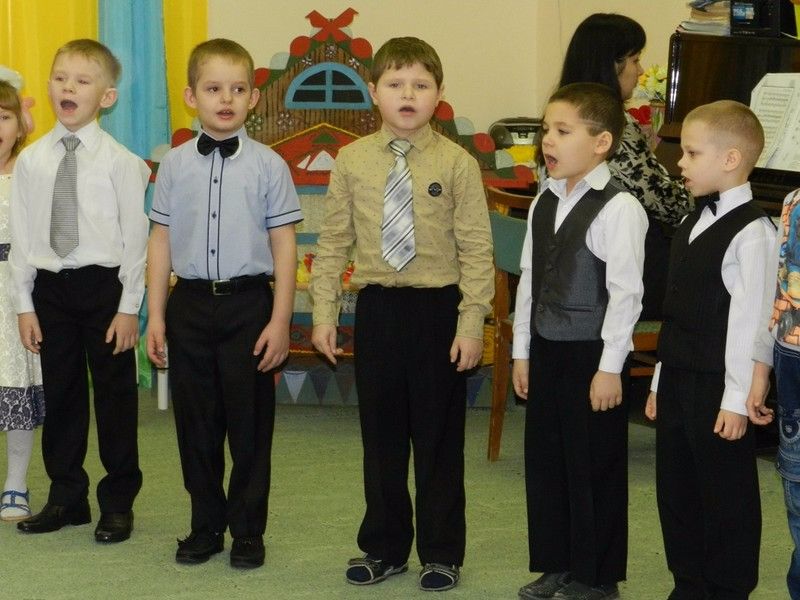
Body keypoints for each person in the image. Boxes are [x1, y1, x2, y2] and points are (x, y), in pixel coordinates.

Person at [309, 36, 493, 592]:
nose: (407, 95)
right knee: (382, 438)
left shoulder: (457, 163)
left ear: (439, 94)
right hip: (378, 309)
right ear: (374, 92)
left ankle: (442, 552)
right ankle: (384, 548)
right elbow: (333, 242)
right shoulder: (352, 160)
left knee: (438, 439)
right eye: (395, 84)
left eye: (420, 85)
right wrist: (324, 314)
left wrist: (471, 324)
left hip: (438, 311)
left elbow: (477, 250)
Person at [146, 38, 301, 570]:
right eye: (214, 89)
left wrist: (280, 319)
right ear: (192, 96)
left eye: (238, 89)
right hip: (188, 306)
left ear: (253, 98)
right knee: (197, 425)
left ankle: (248, 530)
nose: (226, 99)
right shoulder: (173, 165)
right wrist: (156, 315)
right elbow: (160, 240)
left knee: (250, 425)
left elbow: (284, 245)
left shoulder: (270, 166)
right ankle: (205, 525)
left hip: (248, 308)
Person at [9, 39, 149, 544]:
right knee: (62, 395)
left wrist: (129, 307)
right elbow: (22, 239)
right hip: (51, 290)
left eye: (83, 81)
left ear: (106, 97)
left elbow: (136, 240)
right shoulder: (32, 162)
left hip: (104, 289)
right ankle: (67, 496)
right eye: (60, 77)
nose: (68, 87)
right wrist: (24, 305)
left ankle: (118, 501)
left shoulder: (121, 162)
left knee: (114, 396)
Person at [513, 82, 647, 600]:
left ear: (601, 142)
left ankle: (597, 577)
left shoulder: (619, 208)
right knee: (547, 459)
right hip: (547, 345)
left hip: (593, 353)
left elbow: (626, 295)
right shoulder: (544, 199)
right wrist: (522, 351)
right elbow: (529, 277)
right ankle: (557, 563)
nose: (548, 140)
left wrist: (611, 366)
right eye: (546, 129)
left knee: (594, 464)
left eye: (563, 131)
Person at [645, 100, 775, 599]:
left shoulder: (754, 233)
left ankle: (727, 588)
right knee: (676, 490)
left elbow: (749, 326)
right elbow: (675, 311)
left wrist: (736, 400)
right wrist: (658, 381)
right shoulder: (690, 219)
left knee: (725, 496)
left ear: (730, 159)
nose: (680, 162)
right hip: (678, 375)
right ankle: (689, 584)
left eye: (692, 153)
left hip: (720, 386)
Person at [558, 12, 692, 320]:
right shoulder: (614, 125)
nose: (641, 70)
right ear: (611, 65)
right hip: (608, 279)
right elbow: (668, 204)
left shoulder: (559, 115)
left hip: (571, 272)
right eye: (635, 60)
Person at [747, 185, 800, 600]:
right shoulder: (793, 202)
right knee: (796, 489)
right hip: (792, 360)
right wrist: (761, 369)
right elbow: (777, 293)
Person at [0, 70, 44, 522]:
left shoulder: (29, 174)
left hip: (14, 293)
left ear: (20, 125)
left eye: (3, 117)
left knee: (16, 382)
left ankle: (15, 482)